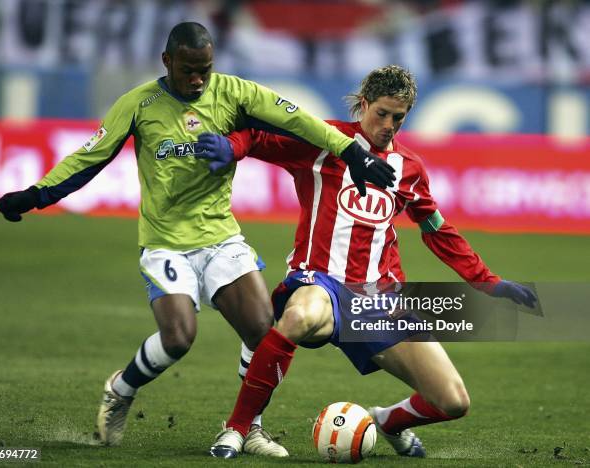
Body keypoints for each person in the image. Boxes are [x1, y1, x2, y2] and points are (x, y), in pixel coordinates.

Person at [0, 22, 396, 457]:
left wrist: (350, 151)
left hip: (220, 237)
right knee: (179, 337)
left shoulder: (234, 93)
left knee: (265, 334)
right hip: (166, 242)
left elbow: (297, 119)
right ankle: (121, 389)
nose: (198, 79)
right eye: (189, 70)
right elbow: (91, 156)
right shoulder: (139, 104)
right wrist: (38, 195)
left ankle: (249, 427)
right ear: (167, 62)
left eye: (205, 69)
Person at [197, 65, 537, 458]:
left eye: (399, 117)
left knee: (453, 401)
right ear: (363, 105)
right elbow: (258, 136)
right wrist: (232, 148)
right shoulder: (324, 140)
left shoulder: (409, 170)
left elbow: (436, 230)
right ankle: (238, 429)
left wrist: (487, 281)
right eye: (382, 113)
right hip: (319, 281)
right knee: (298, 317)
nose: (389, 125)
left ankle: (389, 421)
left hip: (379, 300)